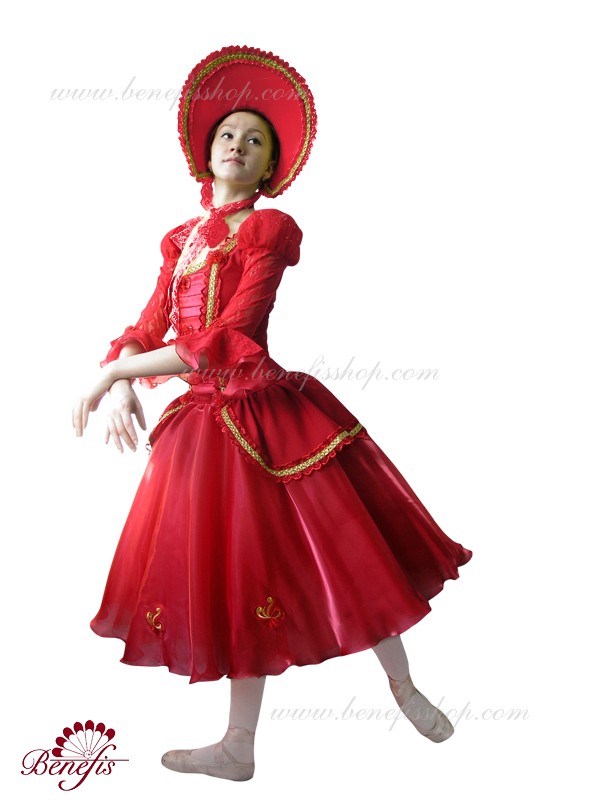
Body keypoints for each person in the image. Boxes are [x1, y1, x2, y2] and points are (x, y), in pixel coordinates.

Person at [73, 45, 472, 782]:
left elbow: (230, 338)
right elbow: (149, 325)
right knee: (237, 574)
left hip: (270, 416)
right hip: (204, 430)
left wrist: (118, 373)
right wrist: (122, 371)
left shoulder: (268, 229)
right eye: (228, 133)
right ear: (204, 154)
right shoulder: (181, 240)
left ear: (269, 170)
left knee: (344, 547)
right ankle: (238, 745)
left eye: (255, 141)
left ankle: (403, 686)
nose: (238, 144)